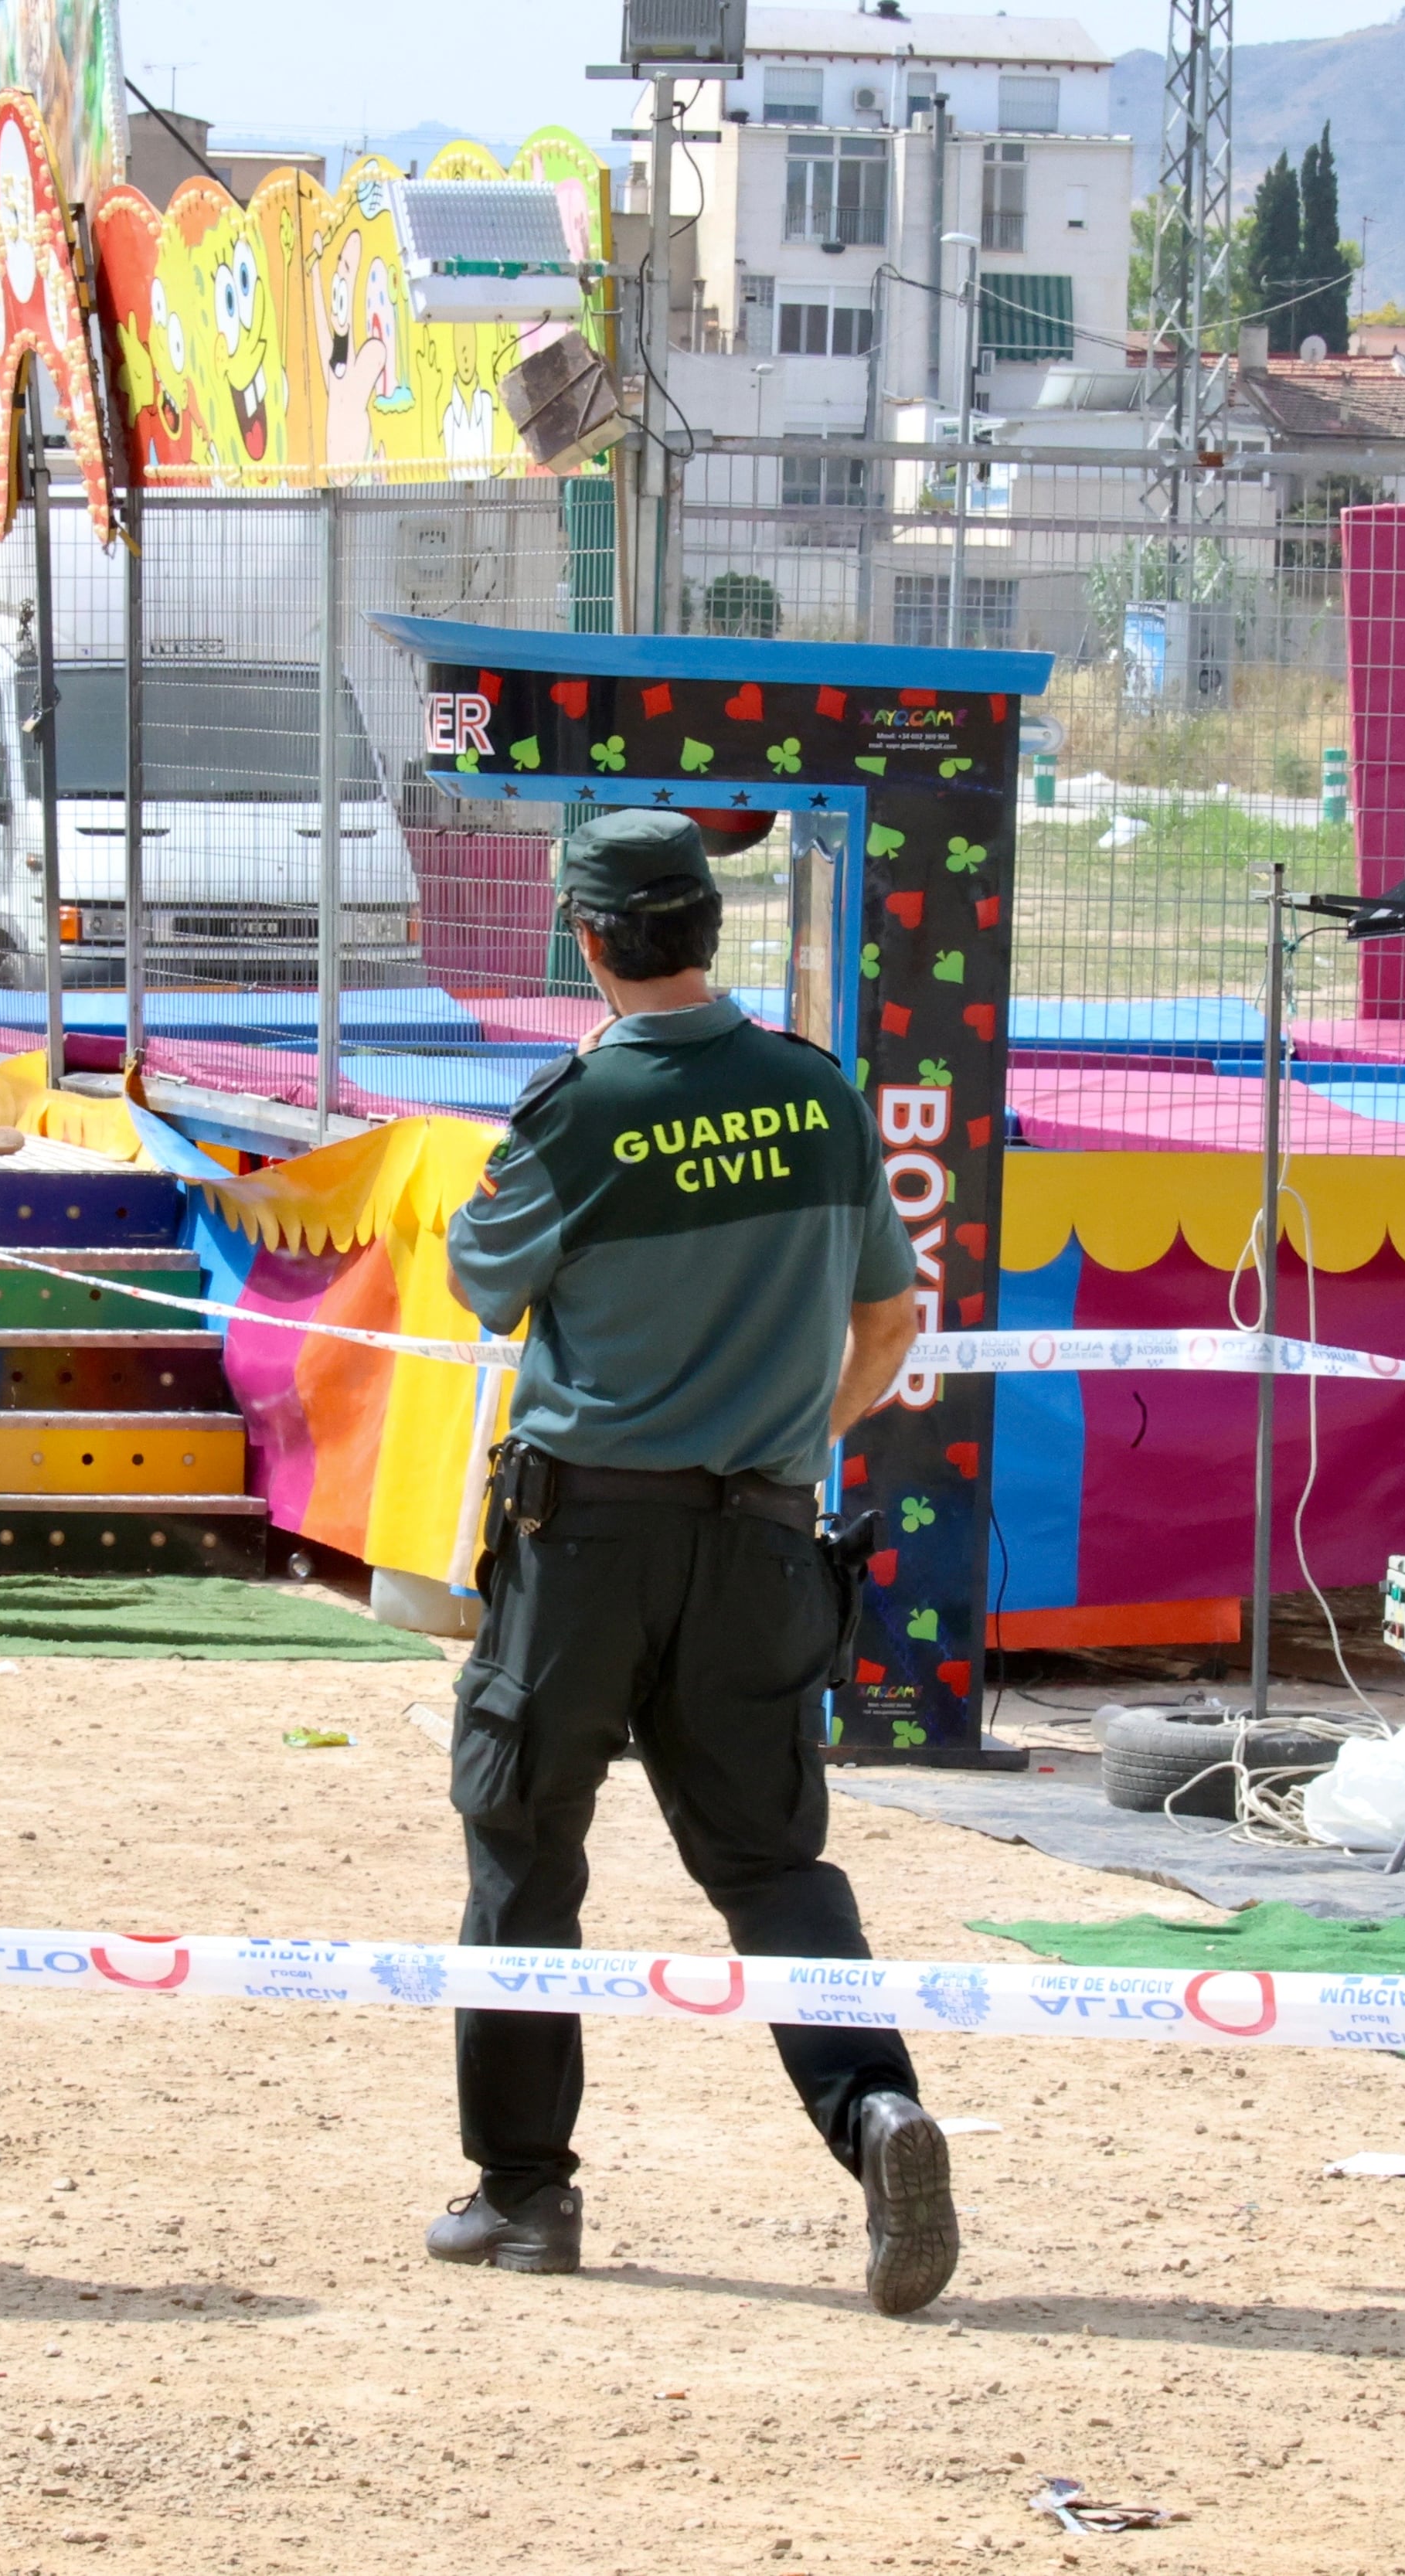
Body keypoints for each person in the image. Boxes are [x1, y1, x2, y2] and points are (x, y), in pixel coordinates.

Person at [429, 807, 951, 2316]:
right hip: (764, 1541)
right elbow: (890, 1323)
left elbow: (482, 1285)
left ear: (587, 938)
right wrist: (786, 1446)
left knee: (524, 1848)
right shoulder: (816, 1094)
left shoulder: (569, 1117)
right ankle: (876, 2115)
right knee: (776, 1864)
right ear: (707, 931)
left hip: (583, 1540)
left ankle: (525, 2195)